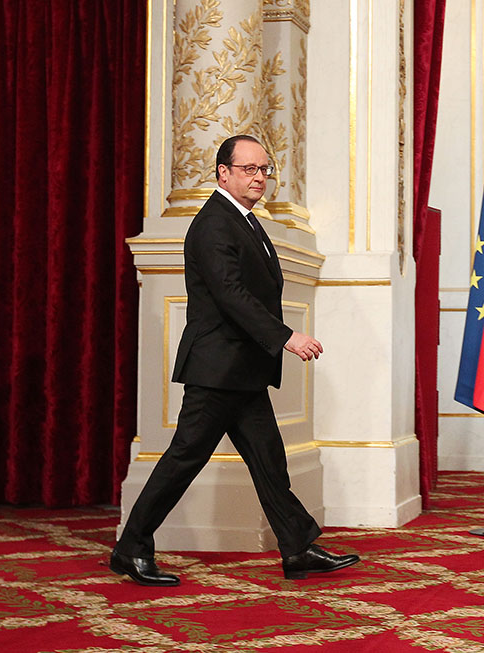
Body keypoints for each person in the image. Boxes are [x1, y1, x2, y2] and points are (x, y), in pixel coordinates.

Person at [110, 135, 359, 586]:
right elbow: (231, 295)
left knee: (269, 461)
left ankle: (298, 547)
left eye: (264, 169)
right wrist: (285, 337)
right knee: (183, 459)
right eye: (249, 169)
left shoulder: (243, 220)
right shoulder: (213, 224)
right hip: (217, 369)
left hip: (240, 370)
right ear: (223, 173)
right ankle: (130, 548)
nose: (259, 177)